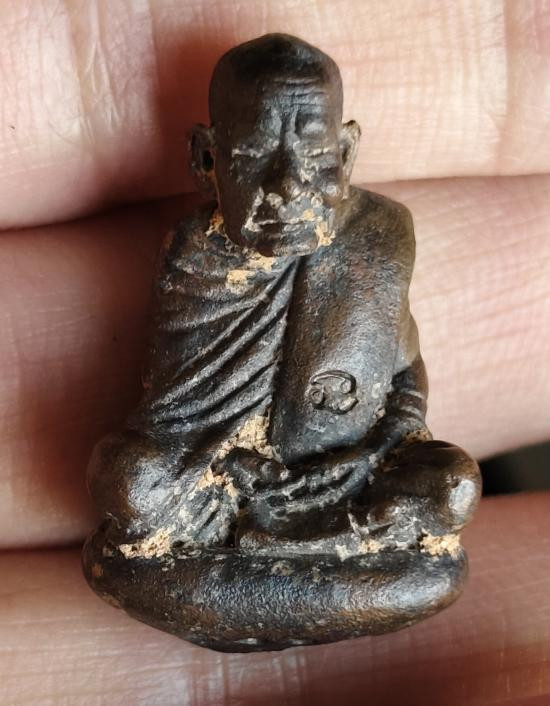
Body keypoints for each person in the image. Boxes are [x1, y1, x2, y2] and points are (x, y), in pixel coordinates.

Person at [1, 2, 549, 702]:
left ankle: (256, 573)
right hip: (222, 488)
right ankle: (316, 568)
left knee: (453, 486)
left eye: (315, 160)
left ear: (346, 154)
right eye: (255, 158)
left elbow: (404, 371)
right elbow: (176, 406)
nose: (288, 189)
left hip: (348, 476)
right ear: (207, 160)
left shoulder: (380, 236)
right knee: (129, 481)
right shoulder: (196, 255)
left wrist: (374, 449)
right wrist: (232, 466)